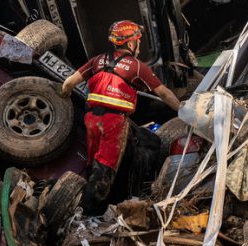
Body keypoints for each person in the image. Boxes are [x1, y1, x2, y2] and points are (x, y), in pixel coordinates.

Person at [61, 20, 180, 214]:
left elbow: (68, 84)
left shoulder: (97, 60)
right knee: (105, 168)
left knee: (94, 162)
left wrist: (64, 96)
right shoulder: (137, 67)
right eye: (138, 42)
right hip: (113, 121)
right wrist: (182, 109)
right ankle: (89, 215)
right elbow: (164, 94)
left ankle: (92, 197)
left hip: (91, 118)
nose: (139, 47)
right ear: (131, 43)